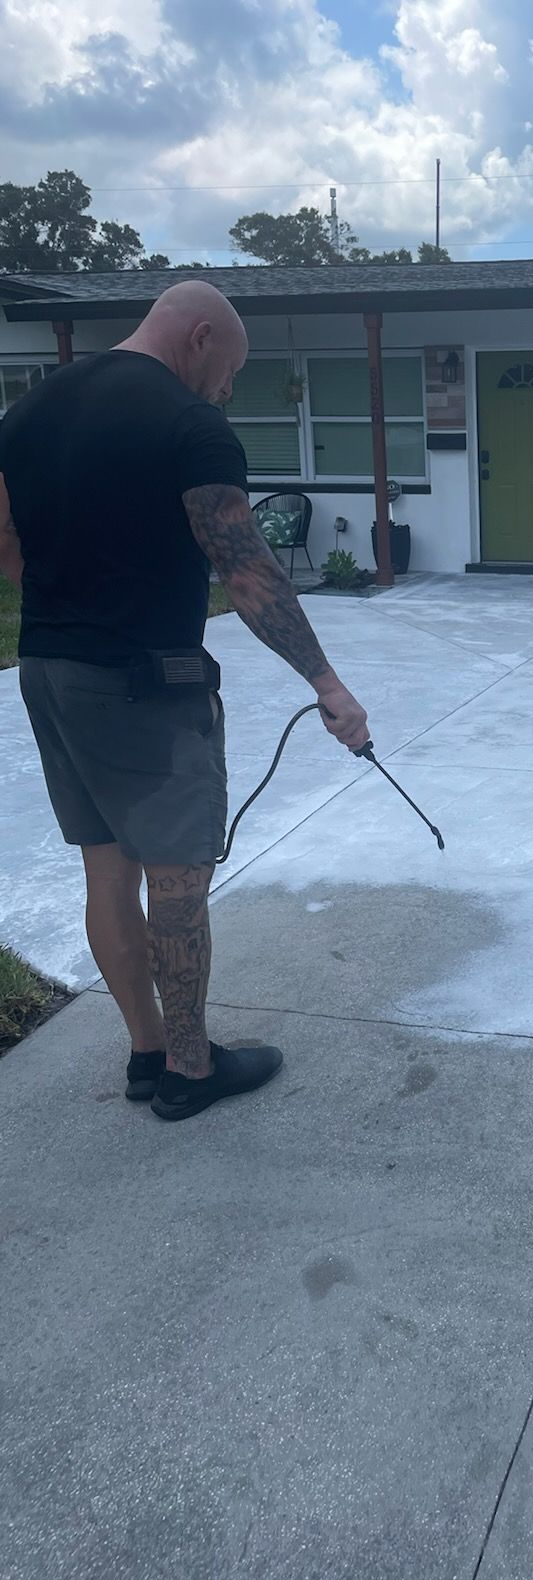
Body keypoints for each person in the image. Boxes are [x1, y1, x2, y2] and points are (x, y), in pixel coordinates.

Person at [0, 282, 369, 1121]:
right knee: (176, 881)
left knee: (106, 869)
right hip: (147, 685)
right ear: (200, 336)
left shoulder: (31, 410)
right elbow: (246, 571)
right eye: (229, 369)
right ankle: (191, 1070)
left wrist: (68, 610)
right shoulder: (189, 425)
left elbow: (3, 535)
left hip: (48, 669)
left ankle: (145, 1050)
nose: (225, 389)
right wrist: (327, 685)